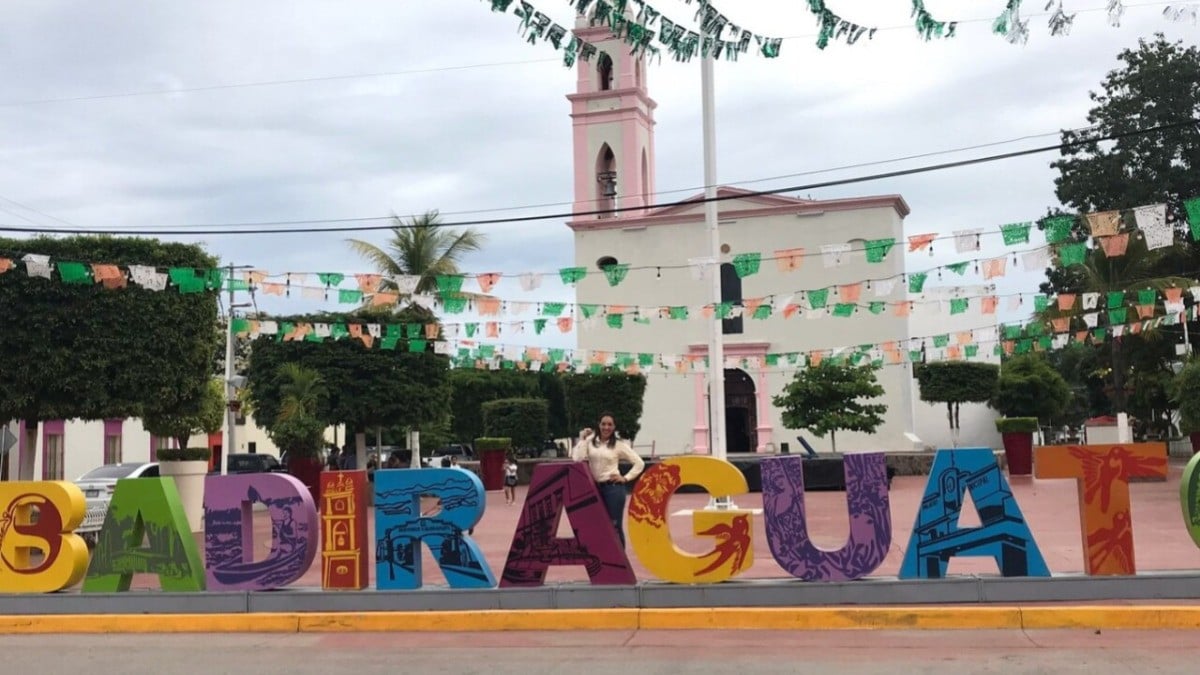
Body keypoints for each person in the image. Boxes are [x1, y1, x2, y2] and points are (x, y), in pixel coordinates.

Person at [572, 412, 644, 547]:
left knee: (614, 525)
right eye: (603, 424)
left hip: (613, 489)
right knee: (597, 525)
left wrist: (625, 478)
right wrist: (582, 439)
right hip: (595, 488)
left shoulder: (618, 445)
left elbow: (639, 463)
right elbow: (577, 459)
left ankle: (621, 561)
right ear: (598, 425)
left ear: (614, 427)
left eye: (610, 424)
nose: (606, 427)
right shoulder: (590, 441)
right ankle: (605, 560)